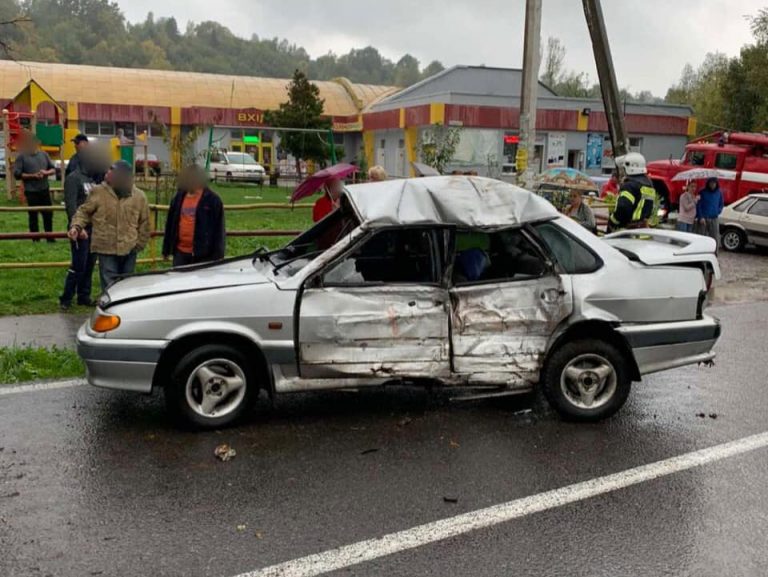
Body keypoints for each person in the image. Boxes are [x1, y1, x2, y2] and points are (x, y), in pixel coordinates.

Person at [68, 160, 150, 290]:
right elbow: (84, 212)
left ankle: (125, 309)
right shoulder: (98, 192)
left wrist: (139, 244)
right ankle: (110, 308)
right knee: (109, 284)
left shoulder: (139, 197)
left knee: (127, 283)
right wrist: (76, 226)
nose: (108, 173)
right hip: (106, 247)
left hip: (129, 247)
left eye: (113, 171)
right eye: (109, 170)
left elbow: (144, 223)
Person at [59, 147, 109, 309]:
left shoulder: (95, 180)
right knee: (78, 265)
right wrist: (77, 227)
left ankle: (83, 295)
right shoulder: (74, 179)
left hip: (94, 229)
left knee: (89, 264)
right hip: (80, 229)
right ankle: (66, 298)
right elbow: (71, 205)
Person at [163, 165, 226, 267]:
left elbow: (219, 230)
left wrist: (218, 255)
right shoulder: (178, 198)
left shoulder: (212, 200)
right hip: (180, 253)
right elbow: (170, 224)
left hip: (203, 254)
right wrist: (166, 249)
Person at [13, 131, 56, 241]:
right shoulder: (21, 157)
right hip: (31, 191)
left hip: (44, 189)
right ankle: (35, 238)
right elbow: (17, 174)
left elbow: (53, 169)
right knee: (33, 216)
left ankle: (49, 237)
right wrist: (33, 175)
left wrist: (46, 173)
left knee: (48, 214)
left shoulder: (44, 155)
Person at [607, 152, 656, 232]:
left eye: (624, 168)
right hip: (644, 231)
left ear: (630, 168)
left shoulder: (630, 186)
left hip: (629, 232)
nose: (623, 172)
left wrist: (612, 222)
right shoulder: (648, 184)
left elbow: (623, 208)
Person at [696, 177, 724, 244]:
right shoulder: (702, 192)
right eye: (711, 183)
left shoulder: (719, 193)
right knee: (701, 237)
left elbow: (721, 204)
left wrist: (718, 211)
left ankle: (715, 253)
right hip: (703, 219)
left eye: (714, 183)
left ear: (716, 184)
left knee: (715, 238)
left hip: (714, 218)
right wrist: (700, 217)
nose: (712, 185)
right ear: (708, 183)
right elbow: (698, 205)